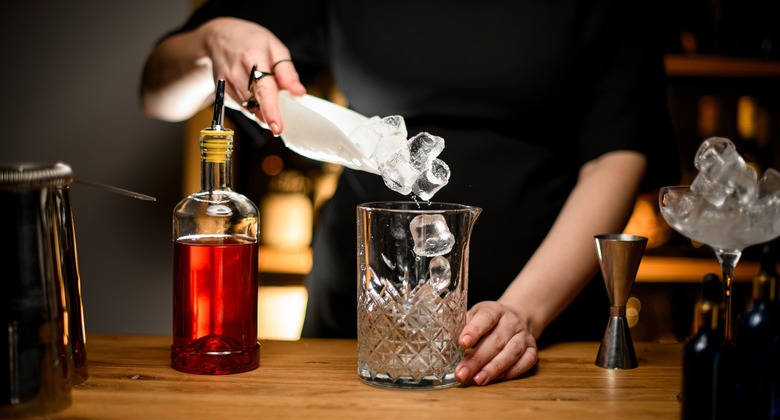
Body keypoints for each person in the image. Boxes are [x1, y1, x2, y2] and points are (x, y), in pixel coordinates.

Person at [140, 0, 680, 386]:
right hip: (359, 333)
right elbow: (158, 91)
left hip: (550, 331)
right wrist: (212, 41)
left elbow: (618, 154)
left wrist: (525, 313)